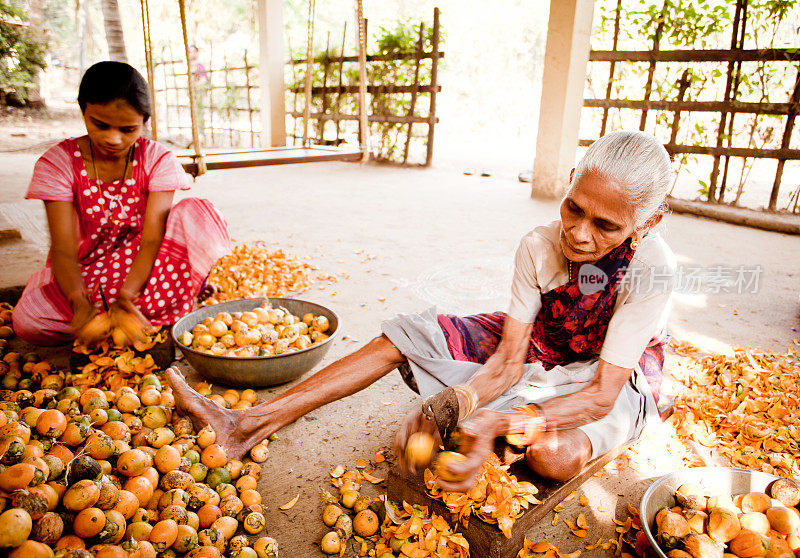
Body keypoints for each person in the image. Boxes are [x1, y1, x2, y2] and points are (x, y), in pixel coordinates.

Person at [167, 130, 675, 491]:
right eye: (574, 208)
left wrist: (495, 424)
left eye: (606, 225)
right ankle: (249, 423)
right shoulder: (538, 245)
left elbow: (601, 394)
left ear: (646, 223)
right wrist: (456, 404)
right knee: (404, 336)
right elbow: (508, 359)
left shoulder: (653, 269)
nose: (580, 233)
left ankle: (649, 409)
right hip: (544, 340)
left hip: (610, 369)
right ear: (568, 183)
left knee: (550, 456)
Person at [13, 61, 230, 346]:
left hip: (145, 270)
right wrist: (79, 303)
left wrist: (127, 296)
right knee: (28, 321)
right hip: (85, 275)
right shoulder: (58, 163)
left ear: (144, 122)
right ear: (83, 111)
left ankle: (138, 313)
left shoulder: (157, 159)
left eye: (128, 129)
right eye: (100, 124)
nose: (113, 139)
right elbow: (64, 249)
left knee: (196, 213)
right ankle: (157, 315)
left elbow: (153, 240)